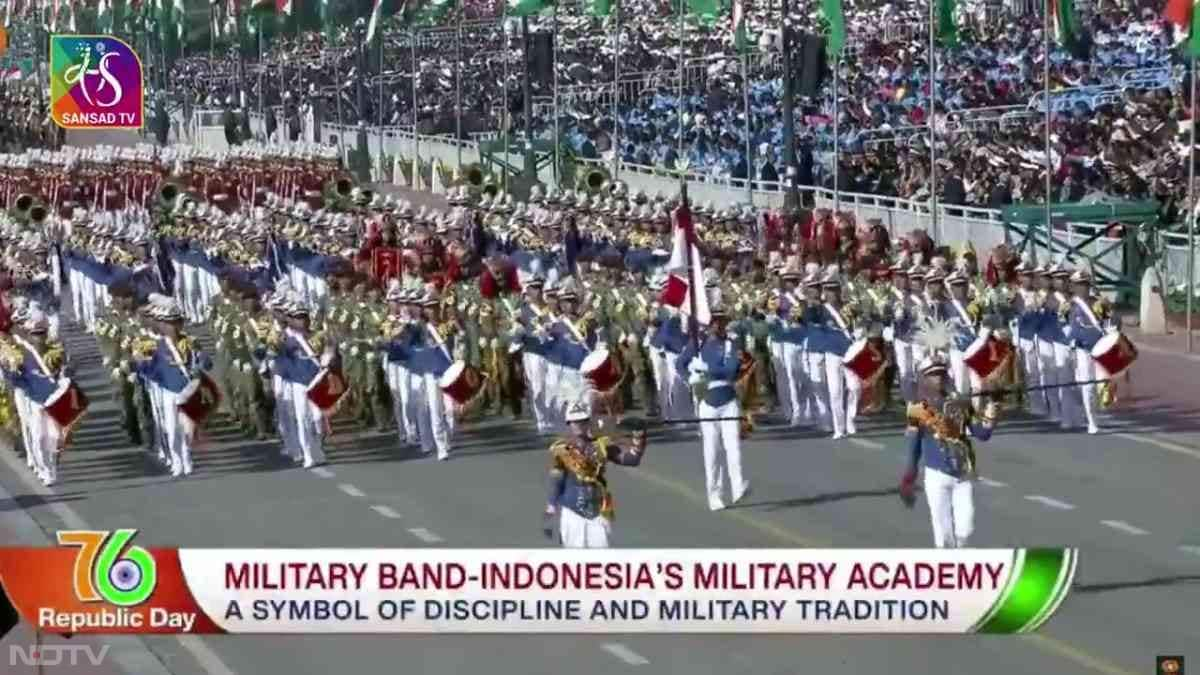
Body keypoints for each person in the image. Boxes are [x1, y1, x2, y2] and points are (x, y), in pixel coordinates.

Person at [899, 354, 999, 548]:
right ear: (924, 378)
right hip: (936, 476)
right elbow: (914, 448)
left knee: (966, 530)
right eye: (932, 375)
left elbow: (982, 434)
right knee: (944, 536)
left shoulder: (960, 403)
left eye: (941, 374)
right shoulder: (918, 409)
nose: (937, 378)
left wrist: (990, 417)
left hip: (963, 474)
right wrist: (908, 478)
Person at [675, 303, 751, 511]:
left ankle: (738, 487)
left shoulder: (732, 343)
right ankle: (714, 495)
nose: (718, 325)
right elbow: (680, 364)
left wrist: (709, 370)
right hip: (707, 401)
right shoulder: (698, 344)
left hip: (729, 399)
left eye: (721, 321)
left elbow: (732, 370)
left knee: (733, 445)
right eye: (714, 322)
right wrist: (690, 378)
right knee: (712, 451)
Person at [543, 397, 647, 548]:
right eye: (575, 421)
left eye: (583, 421)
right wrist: (551, 506)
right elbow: (557, 478)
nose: (579, 425)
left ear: (588, 422)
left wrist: (639, 438)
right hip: (572, 511)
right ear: (569, 424)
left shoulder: (601, 445)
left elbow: (630, 459)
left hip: (599, 508)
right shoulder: (561, 449)